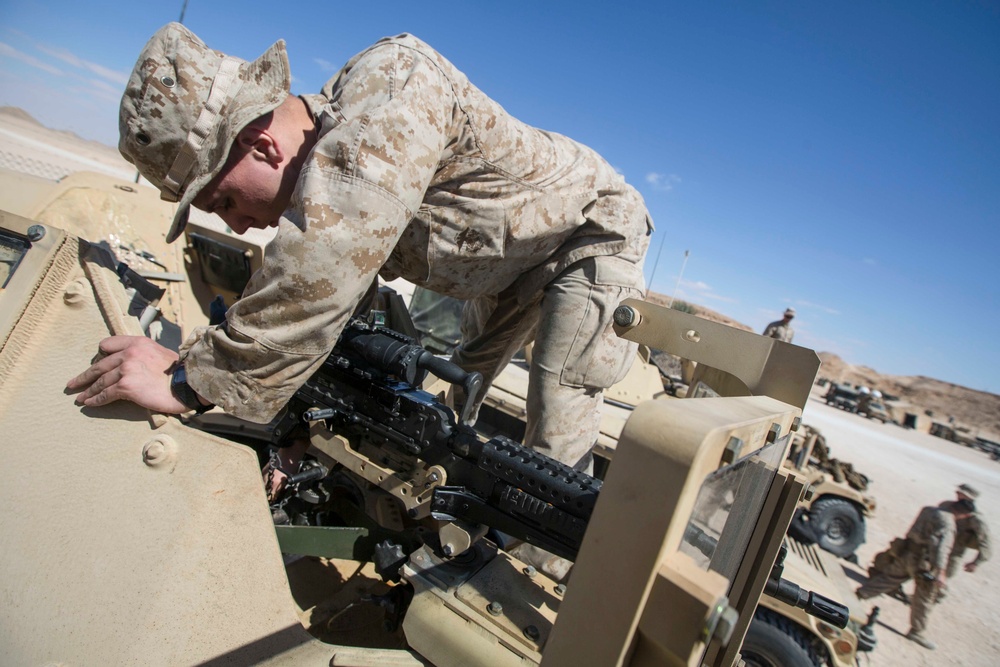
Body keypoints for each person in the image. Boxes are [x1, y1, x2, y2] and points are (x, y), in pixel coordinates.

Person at [66, 24, 652, 481]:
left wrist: (188, 385)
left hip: (589, 235)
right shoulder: (331, 167)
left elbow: (322, 266)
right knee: (454, 401)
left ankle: (533, 586)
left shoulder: (390, 84)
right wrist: (293, 430)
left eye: (222, 201)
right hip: (504, 269)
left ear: (260, 144)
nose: (238, 225)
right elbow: (336, 316)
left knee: (554, 423)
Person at [856, 488, 977, 650]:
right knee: (924, 599)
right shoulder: (948, 524)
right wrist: (940, 573)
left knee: (887, 579)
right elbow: (942, 549)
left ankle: (858, 595)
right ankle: (916, 632)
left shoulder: (929, 510)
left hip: (908, 553)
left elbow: (911, 530)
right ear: (963, 514)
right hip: (924, 564)